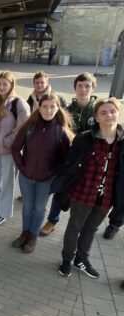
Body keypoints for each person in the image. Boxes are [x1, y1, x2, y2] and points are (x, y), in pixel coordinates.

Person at [54, 98, 124, 278]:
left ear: (118, 113)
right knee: (75, 226)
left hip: (107, 196)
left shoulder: (122, 141)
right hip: (83, 193)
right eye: (103, 112)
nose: (109, 115)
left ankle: (81, 260)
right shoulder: (85, 138)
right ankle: (66, 260)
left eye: (112, 111)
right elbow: (70, 164)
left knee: (91, 229)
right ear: (97, 118)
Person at [11, 93, 73, 253]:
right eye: (44, 106)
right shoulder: (29, 127)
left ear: (58, 108)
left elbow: (65, 159)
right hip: (26, 177)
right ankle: (25, 233)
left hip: (46, 179)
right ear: (39, 107)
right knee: (27, 207)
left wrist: (53, 172)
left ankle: (33, 236)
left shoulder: (61, 132)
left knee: (39, 208)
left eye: (52, 106)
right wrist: (22, 167)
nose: (48, 110)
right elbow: (15, 148)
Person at [41, 72, 98, 236]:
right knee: (61, 190)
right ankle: (52, 220)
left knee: (84, 196)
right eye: (79, 86)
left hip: (90, 161)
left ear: (93, 88)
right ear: (75, 88)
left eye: (87, 86)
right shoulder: (68, 110)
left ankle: (79, 226)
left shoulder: (97, 109)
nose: (83, 89)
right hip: (69, 159)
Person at [0, 71, 30, 225]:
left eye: (5, 84)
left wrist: (7, 141)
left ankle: (2, 212)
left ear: (12, 85)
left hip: (9, 151)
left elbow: (23, 127)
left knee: (7, 183)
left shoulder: (19, 104)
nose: (2, 87)